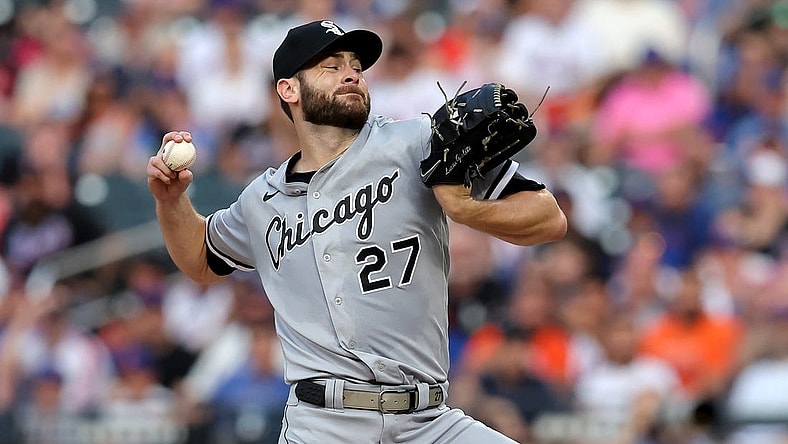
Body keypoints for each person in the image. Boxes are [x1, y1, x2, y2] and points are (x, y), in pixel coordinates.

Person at [146, 19, 567, 443]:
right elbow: (202, 259)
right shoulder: (262, 201)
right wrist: (171, 202)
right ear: (288, 90)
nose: (351, 74)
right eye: (331, 66)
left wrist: (467, 209)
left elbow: (549, 217)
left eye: (356, 67)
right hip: (323, 425)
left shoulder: (417, 143)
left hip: (429, 421)